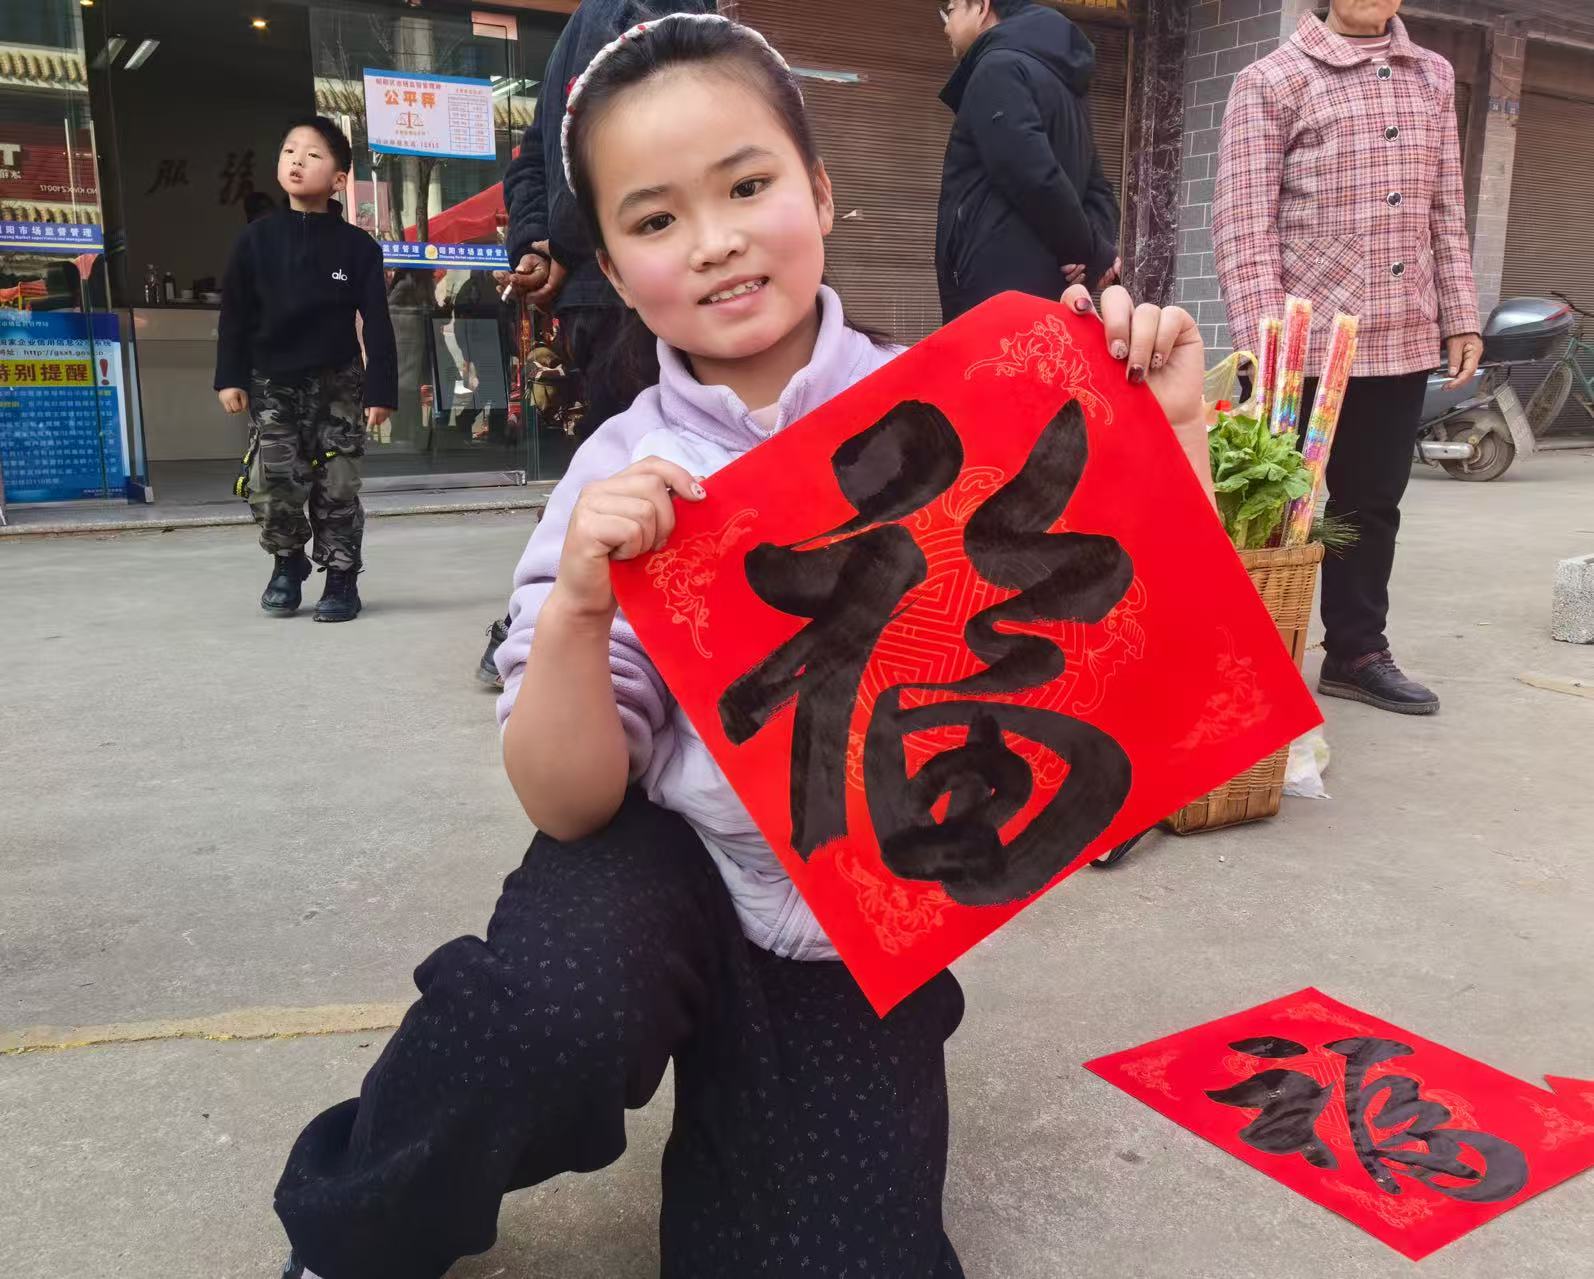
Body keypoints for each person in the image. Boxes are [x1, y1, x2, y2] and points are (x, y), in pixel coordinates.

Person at [272, 16, 1211, 1279]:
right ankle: (355, 1227)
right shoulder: (617, 473)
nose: (713, 240)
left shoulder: (962, 405)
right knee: (536, 1019)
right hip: (655, 861)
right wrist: (582, 609)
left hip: (851, 916)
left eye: (747, 184)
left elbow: (1135, 654)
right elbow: (567, 800)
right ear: (611, 264)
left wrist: (1169, 432)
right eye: (655, 219)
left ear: (818, 192)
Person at [1213, 0, 1481, 715]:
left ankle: (1356, 651)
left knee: (1372, 502)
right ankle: (1250, 654)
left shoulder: (1432, 75)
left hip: (1401, 328)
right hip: (1301, 343)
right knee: (1271, 507)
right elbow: (1242, 220)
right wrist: (1264, 340)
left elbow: (1445, 208)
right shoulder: (1273, 79)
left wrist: (1460, 313)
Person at [478, 0, 713, 684]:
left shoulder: (599, 20)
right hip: (623, 288)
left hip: (618, 283)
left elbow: (537, 164)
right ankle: (569, 624)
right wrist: (544, 241)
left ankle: (560, 621)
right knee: (646, 469)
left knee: (637, 468)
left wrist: (546, 242)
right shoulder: (611, 15)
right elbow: (554, 159)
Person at [215, 116, 396, 622]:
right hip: (272, 382)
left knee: (338, 482)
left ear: (339, 179)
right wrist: (230, 377)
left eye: (313, 155)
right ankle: (287, 561)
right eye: (289, 151)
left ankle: (341, 575)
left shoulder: (358, 247)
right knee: (273, 479)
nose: (297, 160)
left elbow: (377, 321)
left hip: (338, 383)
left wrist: (381, 389)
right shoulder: (254, 241)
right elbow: (235, 315)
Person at [934, 0, 1120, 325]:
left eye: (950, 10)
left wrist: (1090, 251)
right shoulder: (1065, 83)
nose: (946, 26)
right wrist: (1093, 254)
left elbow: (1030, 173)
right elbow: (1098, 188)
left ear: (981, 7)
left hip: (998, 293)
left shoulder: (996, 67)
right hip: (1053, 290)